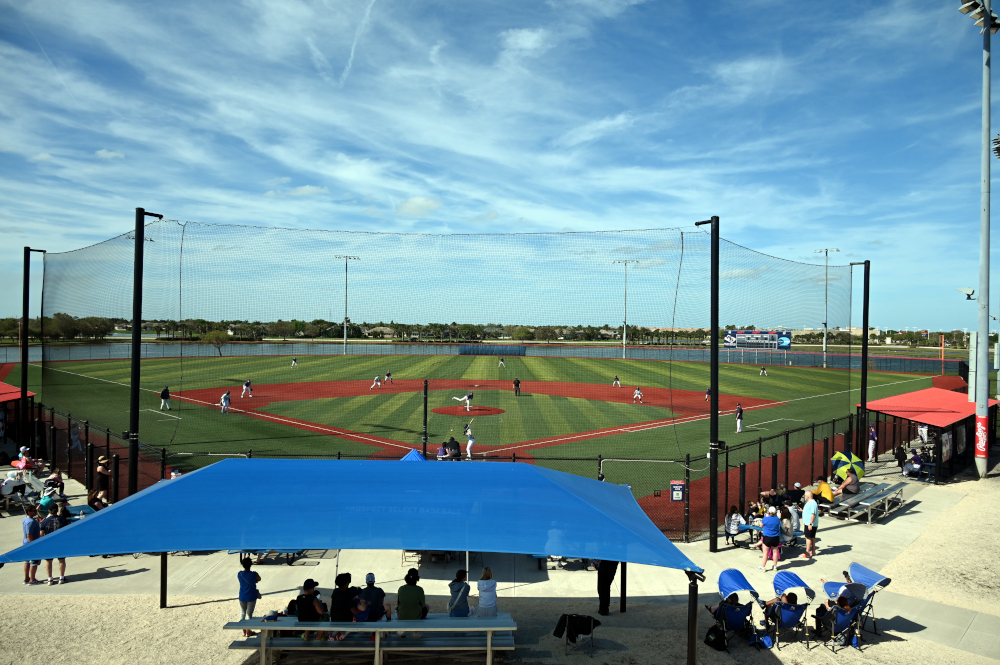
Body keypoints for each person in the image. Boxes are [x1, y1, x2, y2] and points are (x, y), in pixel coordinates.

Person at [396, 568, 427, 636]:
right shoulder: (419, 590)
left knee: (400, 608)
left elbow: (398, 603)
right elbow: (423, 605)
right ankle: (415, 632)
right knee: (426, 607)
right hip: (416, 616)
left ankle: (403, 630)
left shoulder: (401, 589)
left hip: (402, 615)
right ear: (417, 578)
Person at [237, 556, 262, 636]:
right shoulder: (254, 574)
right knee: (249, 613)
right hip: (251, 596)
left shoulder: (240, 574)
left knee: (242, 613)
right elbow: (259, 579)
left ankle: (244, 630)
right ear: (251, 564)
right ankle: (248, 631)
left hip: (242, 596)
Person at [756, 506, 781, 572]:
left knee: (765, 553)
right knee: (775, 552)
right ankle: (775, 566)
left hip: (767, 537)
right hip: (775, 537)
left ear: (768, 512)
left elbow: (761, 526)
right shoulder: (777, 519)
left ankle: (763, 567)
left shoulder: (765, 519)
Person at [22, 504, 40, 585]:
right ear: (29, 512)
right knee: (34, 562)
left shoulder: (25, 519)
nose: (36, 511)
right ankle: (32, 580)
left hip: (25, 543)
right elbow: (29, 534)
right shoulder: (31, 522)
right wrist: (33, 545)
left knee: (27, 561)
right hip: (31, 543)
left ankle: (26, 578)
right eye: (34, 511)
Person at [800, 490, 819, 558]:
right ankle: (813, 552)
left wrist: (810, 524)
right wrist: (803, 511)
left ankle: (807, 552)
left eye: (805, 495)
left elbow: (813, 514)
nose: (804, 496)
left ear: (807, 496)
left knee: (808, 538)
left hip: (810, 523)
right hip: (809, 523)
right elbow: (810, 511)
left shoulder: (812, 503)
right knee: (812, 537)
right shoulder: (811, 503)